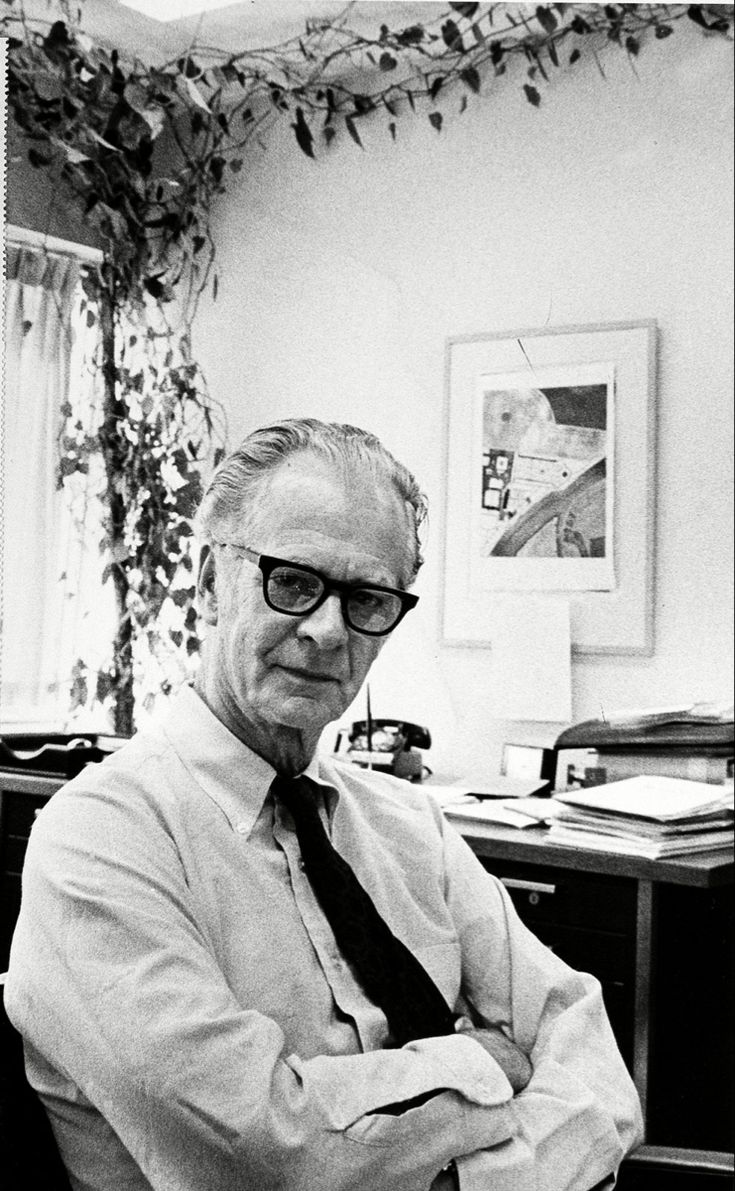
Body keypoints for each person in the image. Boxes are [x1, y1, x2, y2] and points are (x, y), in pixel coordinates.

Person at [6, 418, 642, 1191]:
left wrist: (466, 1177)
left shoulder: (410, 825)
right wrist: (488, 1061)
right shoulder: (100, 840)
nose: (326, 630)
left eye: (367, 597)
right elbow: (271, 1153)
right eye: (293, 582)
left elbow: (588, 1055)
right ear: (210, 582)